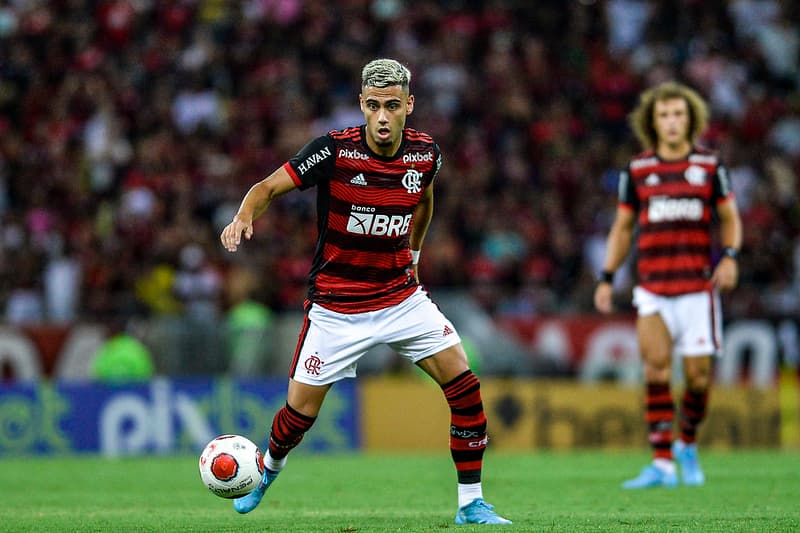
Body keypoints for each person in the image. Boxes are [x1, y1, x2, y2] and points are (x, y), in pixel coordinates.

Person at [220, 58, 511, 525]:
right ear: (361, 104)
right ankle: (269, 468)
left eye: (392, 105)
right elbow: (267, 186)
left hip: (401, 298)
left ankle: (470, 503)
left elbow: (425, 202)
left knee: (465, 386)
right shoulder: (333, 151)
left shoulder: (426, 155)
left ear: (409, 106)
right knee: (298, 417)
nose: (381, 115)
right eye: (373, 105)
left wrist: (413, 259)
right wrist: (243, 216)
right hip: (336, 308)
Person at [594, 81, 742, 489]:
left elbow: (729, 217)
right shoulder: (638, 170)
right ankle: (661, 463)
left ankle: (687, 444)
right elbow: (623, 228)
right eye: (664, 115)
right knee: (656, 371)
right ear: (652, 122)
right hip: (653, 287)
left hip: (697, 289)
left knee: (697, 378)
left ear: (690, 120)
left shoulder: (710, 167)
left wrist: (729, 257)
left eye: (678, 114)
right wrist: (607, 277)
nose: (671, 121)